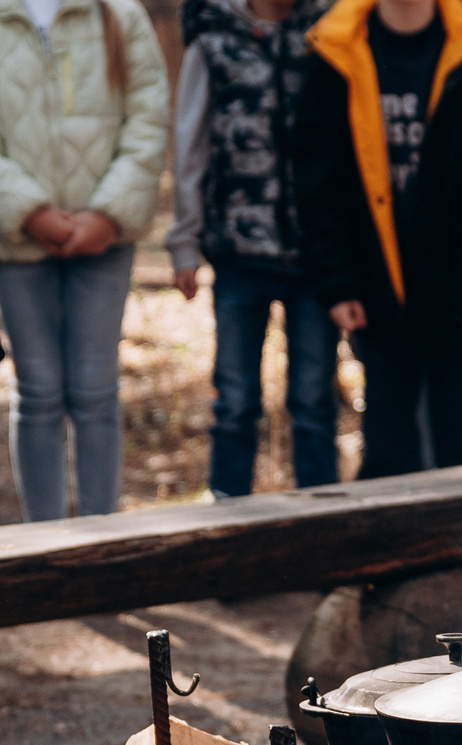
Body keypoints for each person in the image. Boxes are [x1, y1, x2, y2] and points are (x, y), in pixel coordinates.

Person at [0, 0, 168, 522]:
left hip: (103, 236)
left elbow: (148, 115)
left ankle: (100, 537)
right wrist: (28, 211)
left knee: (96, 391)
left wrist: (107, 213)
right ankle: (47, 543)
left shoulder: (119, 15)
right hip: (16, 239)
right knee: (38, 392)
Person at [294, 0, 462, 479]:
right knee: (390, 454)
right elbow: (319, 182)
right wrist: (338, 282)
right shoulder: (335, 50)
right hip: (379, 294)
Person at [164, 0, 340, 498]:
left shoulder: (329, 32)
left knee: (313, 402)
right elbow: (190, 143)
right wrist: (185, 242)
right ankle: (229, 517)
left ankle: (324, 522)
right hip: (238, 254)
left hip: (315, 257)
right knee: (236, 400)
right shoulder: (212, 38)